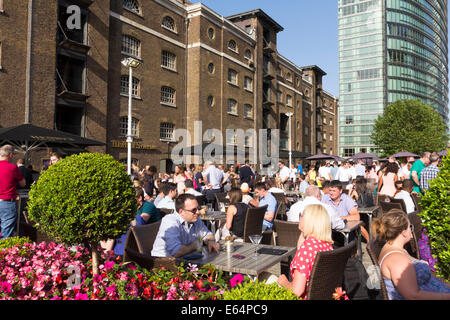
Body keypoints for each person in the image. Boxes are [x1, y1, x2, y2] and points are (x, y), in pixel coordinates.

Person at [372, 209, 450, 300]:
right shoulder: (397, 260)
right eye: (410, 227)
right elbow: (412, 296)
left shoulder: (394, 248)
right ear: (404, 232)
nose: (411, 230)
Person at [277, 204, 334, 298]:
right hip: (321, 296)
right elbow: (300, 247)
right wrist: (304, 230)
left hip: (302, 297)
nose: (299, 219)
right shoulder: (327, 246)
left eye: (301, 216)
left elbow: (296, 291)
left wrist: (284, 282)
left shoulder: (306, 250)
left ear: (309, 221)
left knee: (264, 277)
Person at [151, 194, 220, 258]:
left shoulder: (195, 219)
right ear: (181, 212)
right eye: (194, 210)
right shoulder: (170, 221)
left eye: (198, 208)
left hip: (186, 260)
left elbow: (207, 234)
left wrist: (211, 241)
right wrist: (196, 244)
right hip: (163, 264)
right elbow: (177, 252)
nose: (198, 212)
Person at [111, 187, 162, 256]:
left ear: (139, 198)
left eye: (130, 199)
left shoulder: (148, 206)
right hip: (139, 234)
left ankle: (119, 254)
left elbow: (141, 222)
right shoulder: (133, 207)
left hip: (150, 236)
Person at [0, 145, 25, 239]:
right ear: (10, 155)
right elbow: (23, 183)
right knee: (6, 233)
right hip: (7, 202)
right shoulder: (12, 168)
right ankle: (3, 252)